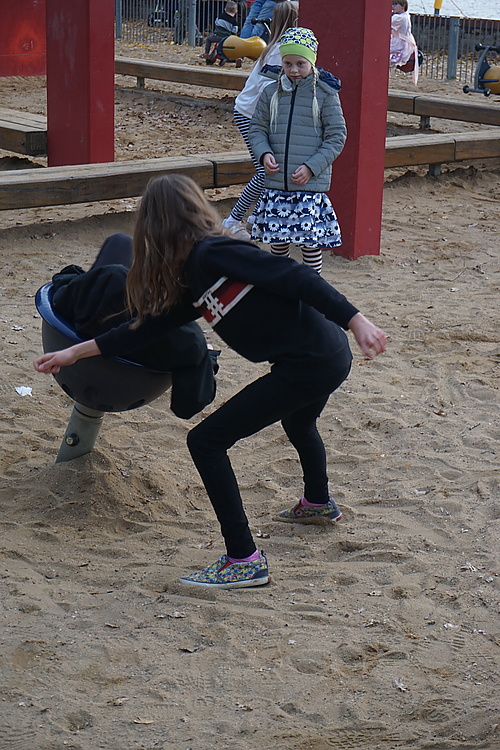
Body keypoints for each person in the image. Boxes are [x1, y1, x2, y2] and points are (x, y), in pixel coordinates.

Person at [34, 174, 387, 590]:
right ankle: (317, 503)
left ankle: (243, 560)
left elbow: (297, 277)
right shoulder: (194, 275)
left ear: (156, 226)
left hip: (313, 361)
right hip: (323, 356)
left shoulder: (214, 253)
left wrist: (356, 319)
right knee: (299, 422)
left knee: (206, 441)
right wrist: (76, 351)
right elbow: (147, 328)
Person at [49, 232, 219, 421]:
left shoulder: (112, 277)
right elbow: (188, 406)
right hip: (126, 368)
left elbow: (59, 289)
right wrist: (208, 358)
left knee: (120, 243)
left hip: (81, 325)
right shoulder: (189, 338)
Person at [248, 27, 346, 275]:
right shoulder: (271, 92)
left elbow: (336, 136)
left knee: (309, 246)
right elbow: (257, 128)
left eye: (300, 63)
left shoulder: (325, 94)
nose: (293, 70)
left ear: (311, 61)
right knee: (277, 244)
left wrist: (312, 167)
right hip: (277, 184)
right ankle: (281, 288)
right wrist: (264, 153)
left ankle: (312, 289)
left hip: (308, 187)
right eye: (287, 63)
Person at [222, 0, 298, 241]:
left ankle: (257, 217)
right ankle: (233, 221)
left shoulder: (280, 47)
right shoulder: (279, 51)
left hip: (257, 115)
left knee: (273, 168)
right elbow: (268, 87)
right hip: (249, 115)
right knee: (266, 171)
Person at [390, 0, 419, 84]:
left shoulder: (398, 18)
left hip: (400, 42)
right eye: (392, 4)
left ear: (403, 6)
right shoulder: (406, 15)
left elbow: (386, 24)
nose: (393, 7)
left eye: (395, 4)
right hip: (407, 41)